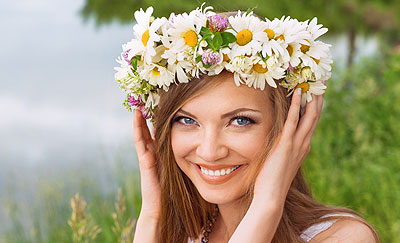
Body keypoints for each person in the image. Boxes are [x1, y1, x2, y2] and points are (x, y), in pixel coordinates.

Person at [114, 4, 379, 242]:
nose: (209, 151)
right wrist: (153, 215)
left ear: (291, 128)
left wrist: (267, 204)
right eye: (187, 120)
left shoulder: (343, 238)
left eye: (239, 121)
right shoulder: (184, 235)